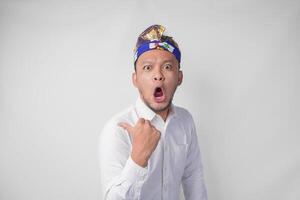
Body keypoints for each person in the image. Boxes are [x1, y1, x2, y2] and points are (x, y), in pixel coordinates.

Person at [99, 24, 207, 200]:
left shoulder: (185, 120)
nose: (158, 75)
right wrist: (138, 158)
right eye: (148, 68)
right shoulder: (117, 129)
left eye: (167, 67)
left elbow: (194, 180)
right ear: (135, 79)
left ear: (179, 77)